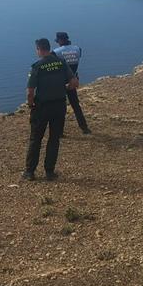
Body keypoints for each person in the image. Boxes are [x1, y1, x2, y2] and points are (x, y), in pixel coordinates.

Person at [24, 38, 78, 181]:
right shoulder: (61, 63)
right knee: (54, 139)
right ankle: (49, 172)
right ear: (49, 47)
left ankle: (30, 172)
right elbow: (74, 82)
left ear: (39, 49)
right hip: (59, 106)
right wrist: (63, 89)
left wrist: (30, 105)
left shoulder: (37, 66)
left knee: (36, 139)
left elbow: (30, 91)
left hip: (42, 107)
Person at [53, 32, 91, 134]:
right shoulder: (77, 49)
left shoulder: (56, 52)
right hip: (73, 80)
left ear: (60, 41)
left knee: (60, 107)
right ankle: (84, 128)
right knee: (75, 105)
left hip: (61, 83)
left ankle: (59, 131)